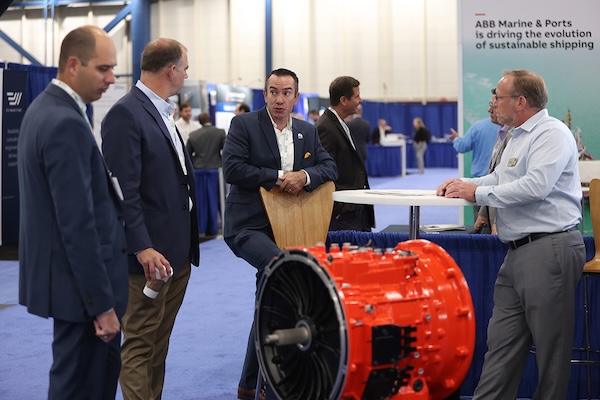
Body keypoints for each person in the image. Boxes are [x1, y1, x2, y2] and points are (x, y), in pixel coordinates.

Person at [437, 69, 585, 399]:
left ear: (520, 101)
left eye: (498, 96)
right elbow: (499, 178)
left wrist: (476, 194)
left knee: (552, 351)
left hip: (550, 249)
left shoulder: (552, 134)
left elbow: (535, 187)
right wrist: (465, 186)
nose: (493, 102)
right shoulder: (515, 135)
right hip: (516, 251)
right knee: (500, 346)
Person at [17, 25, 128, 400]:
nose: (112, 79)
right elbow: (78, 225)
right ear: (73, 65)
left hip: (71, 288)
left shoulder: (46, 109)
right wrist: (102, 307)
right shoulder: (65, 122)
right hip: (83, 295)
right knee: (83, 387)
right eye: (103, 69)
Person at [222, 68, 337, 400]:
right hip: (248, 227)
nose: (279, 99)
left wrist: (303, 175)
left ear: (296, 98)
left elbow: (330, 167)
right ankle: (269, 385)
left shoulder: (307, 131)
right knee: (283, 267)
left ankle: (250, 385)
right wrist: (276, 176)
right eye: (273, 92)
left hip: (291, 228)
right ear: (265, 94)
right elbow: (232, 168)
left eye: (287, 93)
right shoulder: (243, 125)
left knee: (268, 300)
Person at [101, 38, 200, 400]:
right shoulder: (126, 114)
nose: (187, 75)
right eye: (185, 68)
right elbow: (122, 191)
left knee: (159, 343)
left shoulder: (164, 112)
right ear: (171, 70)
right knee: (141, 344)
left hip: (176, 253)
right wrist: (141, 246)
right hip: (146, 259)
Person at [316, 76, 374, 232]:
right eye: (357, 96)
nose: (360, 100)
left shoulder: (341, 123)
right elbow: (325, 170)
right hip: (343, 213)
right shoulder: (325, 127)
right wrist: (340, 209)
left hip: (355, 207)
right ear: (343, 100)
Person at [449, 111, 498, 221]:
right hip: (501, 185)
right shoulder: (512, 130)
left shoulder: (478, 126)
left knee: (480, 223)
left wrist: (456, 138)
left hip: (480, 183)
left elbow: (462, 147)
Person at [473, 93, 512, 234]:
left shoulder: (513, 137)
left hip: (502, 221)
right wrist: (483, 212)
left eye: (494, 106)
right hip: (492, 211)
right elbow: (494, 176)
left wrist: (497, 221)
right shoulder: (501, 135)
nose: (490, 110)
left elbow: (507, 183)